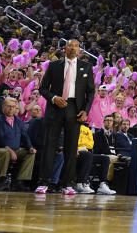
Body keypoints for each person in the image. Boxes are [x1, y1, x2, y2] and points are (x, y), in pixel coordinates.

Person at [35, 39, 95, 195]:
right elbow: (42, 88)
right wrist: (54, 98)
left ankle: (67, 184)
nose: (73, 48)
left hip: (74, 109)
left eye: (76, 46)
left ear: (79, 49)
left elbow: (91, 92)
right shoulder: (54, 65)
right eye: (70, 45)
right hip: (55, 107)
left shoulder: (87, 67)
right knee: (50, 146)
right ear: (65, 48)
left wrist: (85, 111)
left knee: (71, 147)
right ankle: (43, 182)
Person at [0, 97, 36, 191]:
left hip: (14, 150)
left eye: (13, 107)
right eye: (9, 106)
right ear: (3, 107)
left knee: (30, 153)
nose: (11, 109)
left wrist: (30, 147)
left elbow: (24, 135)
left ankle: (20, 181)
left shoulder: (18, 121)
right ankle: (2, 180)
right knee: (5, 152)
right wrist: (10, 150)